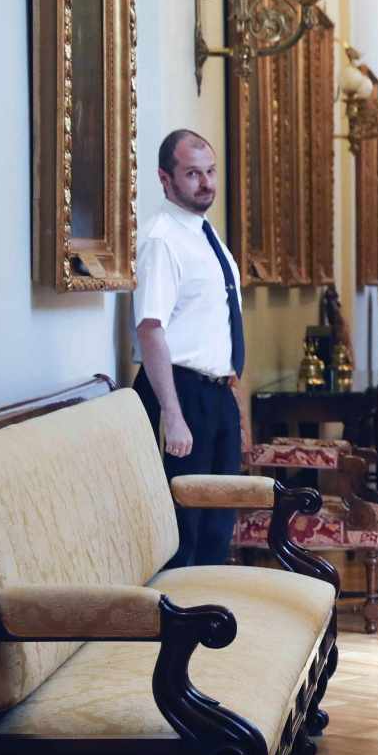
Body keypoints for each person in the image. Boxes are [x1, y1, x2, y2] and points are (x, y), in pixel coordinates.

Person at [132, 129, 246, 569]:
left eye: (211, 171)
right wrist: (174, 416)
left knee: (219, 523)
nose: (206, 183)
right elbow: (150, 328)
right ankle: (180, 627)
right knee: (186, 527)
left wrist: (233, 402)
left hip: (216, 393)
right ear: (166, 179)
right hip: (181, 393)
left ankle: (211, 621)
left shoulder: (204, 233)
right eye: (193, 173)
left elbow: (216, 324)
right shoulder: (162, 238)